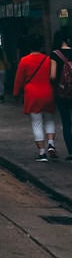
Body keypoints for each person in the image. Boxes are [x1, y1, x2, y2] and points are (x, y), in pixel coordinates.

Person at [13, 36, 57, 161]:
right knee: (49, 120)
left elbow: (19, 80)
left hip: (32, 94)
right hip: (47, 92)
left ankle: (42, 153)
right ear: (41, 46)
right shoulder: (48, 59)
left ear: (28, 47)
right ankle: (51, 144)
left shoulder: (24, 61)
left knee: (37, 123)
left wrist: (16, 93)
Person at [49, 30, 72, 161]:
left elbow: (52, 76)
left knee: (66, 122)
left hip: (62, 93)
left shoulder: (55, 54)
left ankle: (71, 151)